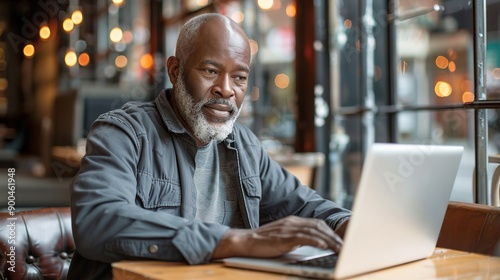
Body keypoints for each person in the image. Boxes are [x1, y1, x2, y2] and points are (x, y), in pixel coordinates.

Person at [68, 13, 351, 279]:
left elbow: (304, 206)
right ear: (175, 71)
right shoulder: (123, 132)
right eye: (211, 70)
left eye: (239, 77)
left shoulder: (245, 145)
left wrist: (346, 225)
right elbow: (97, 221)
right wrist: (237, 241)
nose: (226, 89)